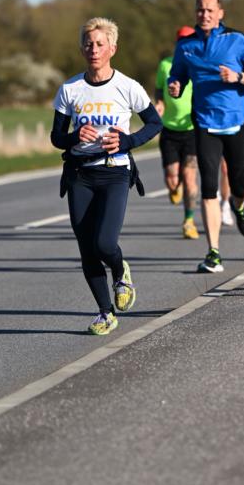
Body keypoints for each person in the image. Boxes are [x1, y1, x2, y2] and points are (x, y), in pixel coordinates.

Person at [51, 17, 162, 335]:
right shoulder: (70, 89)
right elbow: (57, 137)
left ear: (112, 48)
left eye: (100, 44)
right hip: (80, 175)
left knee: (104, 242)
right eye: (88, 43)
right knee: (86, 247)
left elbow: (155, 124)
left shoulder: (127, 87)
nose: (93, 49)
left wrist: (128, 141)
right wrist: (75, 137)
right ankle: (104, 312)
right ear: (81, 48)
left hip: (115, 172)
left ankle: (120, 269)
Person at [168, 0, 244, 273]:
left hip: (236, 122)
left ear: (220, 13)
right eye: (200, 10)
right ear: (195, 12)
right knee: (209, 187)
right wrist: (175, 86)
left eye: (210, 10)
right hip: (204, 123)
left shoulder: (239, 40)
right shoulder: (186, 47)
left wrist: (239, 76)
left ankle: (239, 207)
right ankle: (213, 252)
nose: (205, 14)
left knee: (238, 185)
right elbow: (177, 75)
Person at [155, 26, 199, 239]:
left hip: (191, 130)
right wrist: (160, 103)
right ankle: (174, 188)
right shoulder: (165, 65)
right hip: (169, 130)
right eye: (181, 40)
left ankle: (189, 221)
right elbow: (157, 89)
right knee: (173, 178)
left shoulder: (198, 63)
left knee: (190, 178)